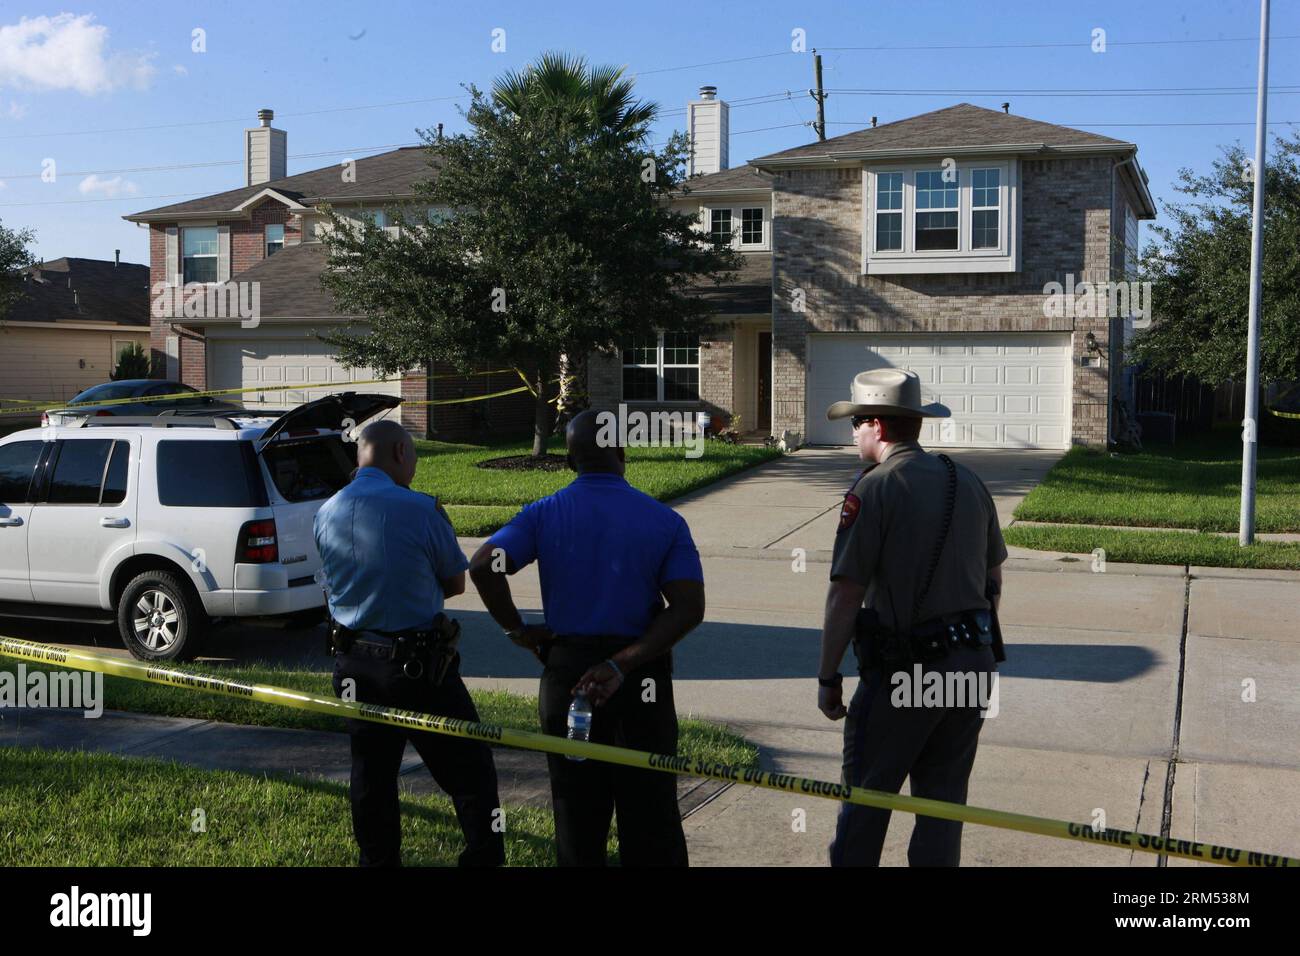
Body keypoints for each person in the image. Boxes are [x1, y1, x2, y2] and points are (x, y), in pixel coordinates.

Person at [468, 409, 705, 867]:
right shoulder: (664, 521)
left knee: (576, 815)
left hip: (568, 678)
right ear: (622, 451)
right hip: (640, 680)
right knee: (651, 816)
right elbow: (688, 608)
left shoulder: (543, 513)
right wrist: (622, 664)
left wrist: (517, 629)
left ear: (569, 460)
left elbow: (483, 565)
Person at [816, 368, 1007, 867]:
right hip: (971, 668)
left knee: (866, 805)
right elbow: (993, 583)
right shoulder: (966, 480)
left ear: (877, 425)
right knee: (942, 808)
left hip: (905, 674)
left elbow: (845, 595)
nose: (854, 431)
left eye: (857, 422)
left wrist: (828, 675)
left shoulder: (874, 489)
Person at [314, 418, 505, 867]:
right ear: (401, 452)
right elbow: (455, 582)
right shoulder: (420, 509)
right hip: (416, 667)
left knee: (372, 773)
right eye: (414, 455)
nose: (415, 464)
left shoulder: (327, 511)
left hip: (351, 664)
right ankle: (483, 857)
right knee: (470, 769)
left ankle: (377, 862)